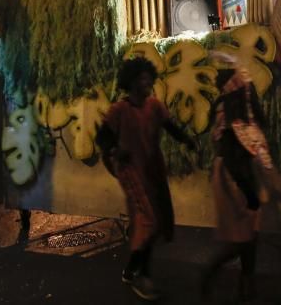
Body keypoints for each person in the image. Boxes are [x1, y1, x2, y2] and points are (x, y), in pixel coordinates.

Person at [97, 57, 196, 301]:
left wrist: (187, 140)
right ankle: (143, 277)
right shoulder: (119, 110)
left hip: (152, 169)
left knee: (155, 221)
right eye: (142, 78)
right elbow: (103, 138)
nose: (148, 82)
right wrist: (115, 151)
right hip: (130, 171)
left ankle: (132, 270)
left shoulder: (154, 106)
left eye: (148, 77)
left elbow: (170, 127)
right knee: (149, 222)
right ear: (131, 82)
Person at [200, 65, 267, 302]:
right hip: (233, 177)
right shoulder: (227, 112)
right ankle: (209, 273)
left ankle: (246, 283)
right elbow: (229, 154)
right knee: (241, 238)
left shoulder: (236, 109)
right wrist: (249, 193)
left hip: (242, 173)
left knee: (251, 234)